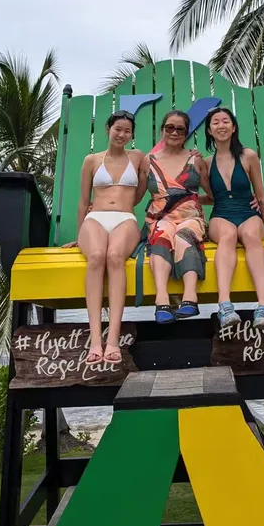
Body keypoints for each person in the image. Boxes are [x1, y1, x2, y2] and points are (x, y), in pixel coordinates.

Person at [66, 111, 143, 365]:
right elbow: (83, 201)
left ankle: (113, 340)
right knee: (97, 256)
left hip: (125, 219)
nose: (122, 134)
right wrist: (80, 235)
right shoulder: (91, 160)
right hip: (95, 218)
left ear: (132, 135)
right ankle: (95, 341)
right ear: (108, 129)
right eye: (117, 129)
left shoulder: (138, 157)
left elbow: (148, 182)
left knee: (115, 256)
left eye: (127, 131)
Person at [204, 107, 264, 330]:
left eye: (226, 121)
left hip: (248, 212)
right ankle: (225, 306)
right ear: (209, 130)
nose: (221, 126)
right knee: (227, 236)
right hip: (221, 214)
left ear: (234, 127)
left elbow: (261, 196)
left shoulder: (248, 156)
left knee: (250, 236)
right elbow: (211, 197)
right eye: (216, 122)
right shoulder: (206, 163)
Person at [138, 109, 213, 324]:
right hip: (160, 218)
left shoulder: (195, 160)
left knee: (183, 235)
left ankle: (190, 297)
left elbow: (212, 196)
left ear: (186, 133)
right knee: (161, 236)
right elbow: (135, 197)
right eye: (169, 127)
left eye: (180, 129)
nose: (174, 132)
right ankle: (162, 299)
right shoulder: (148, 161)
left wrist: (248, 198)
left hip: (191, 218)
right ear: (162, 130)